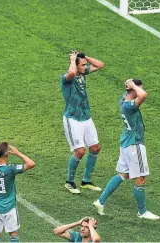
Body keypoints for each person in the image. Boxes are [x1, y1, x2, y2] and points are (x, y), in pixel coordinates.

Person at [93, 79, 160, 220]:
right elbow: (143, 95)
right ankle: (142, 211)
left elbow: (135, 94)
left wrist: (131, 86)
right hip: (134, 144)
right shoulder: (129, 106)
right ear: (133, 91)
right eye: (138, 89)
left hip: (126, 143)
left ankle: (100, 201)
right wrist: (135, 87)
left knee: (124, 174)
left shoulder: (123, 99)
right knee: (140, 178)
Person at [61, 50, 105, 194]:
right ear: (75, 65)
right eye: (83, 65)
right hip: (72, 118)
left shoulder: (82, 73)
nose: (86, 66)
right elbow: (72, 73)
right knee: (79, 151)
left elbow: (100, 65)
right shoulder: (67, 77)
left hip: (86, 117)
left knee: (95, 148)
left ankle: (86, 181)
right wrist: (73, 61)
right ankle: (69, 182)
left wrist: (85, 57)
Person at [0, 142, 35, 242]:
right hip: (9, 208)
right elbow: (31, 164)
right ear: (7, 154)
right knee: (13, 235)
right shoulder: (10, 169)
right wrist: (18, 153)